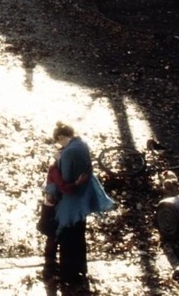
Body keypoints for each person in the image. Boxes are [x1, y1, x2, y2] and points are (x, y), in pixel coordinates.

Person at [51, 121, 115, 287]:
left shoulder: (68, 153)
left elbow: (64, 181)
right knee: (79, 237)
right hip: (83, 200)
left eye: (59, 142)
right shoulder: (83, 145)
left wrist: (57, 161)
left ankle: (68, 275)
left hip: (71, 203)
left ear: (61, 137)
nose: (60, 146)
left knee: (67, 239)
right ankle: (81, 269)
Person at [37, 141, 89, 279]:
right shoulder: (54, 169)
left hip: (53, 205)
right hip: (51, 207)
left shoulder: (59, 168)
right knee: (53, 236)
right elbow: (63, 187)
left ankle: (50, 266)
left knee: (54, 236)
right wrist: (78, 183)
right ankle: (49, 266)